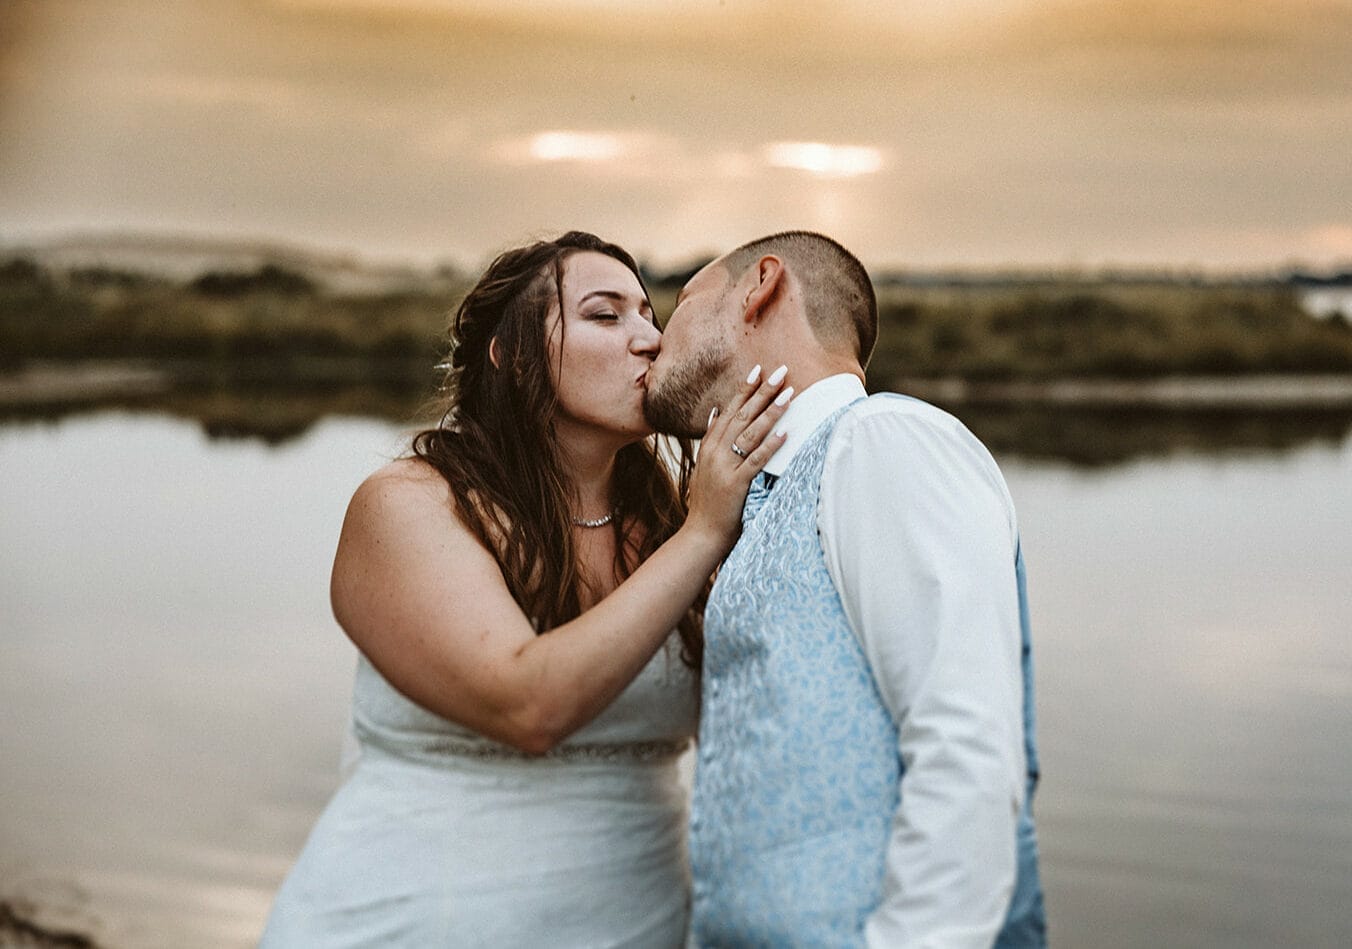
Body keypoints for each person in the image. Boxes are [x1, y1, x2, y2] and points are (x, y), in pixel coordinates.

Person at [260, 232, 791, 946]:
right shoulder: (411, 505)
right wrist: (704, 533)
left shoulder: (671, 524)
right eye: (606, 315)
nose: (649, 340)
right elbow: (528, 705)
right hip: (414, 921)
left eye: (648, 315)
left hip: (640, 925)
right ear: (508, 355)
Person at [644, 231, 1047, 947]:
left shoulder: (882, 440)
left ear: (760, 286)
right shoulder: (756, 499)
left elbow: (965, 747)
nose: (654, 337)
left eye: (681, 303)